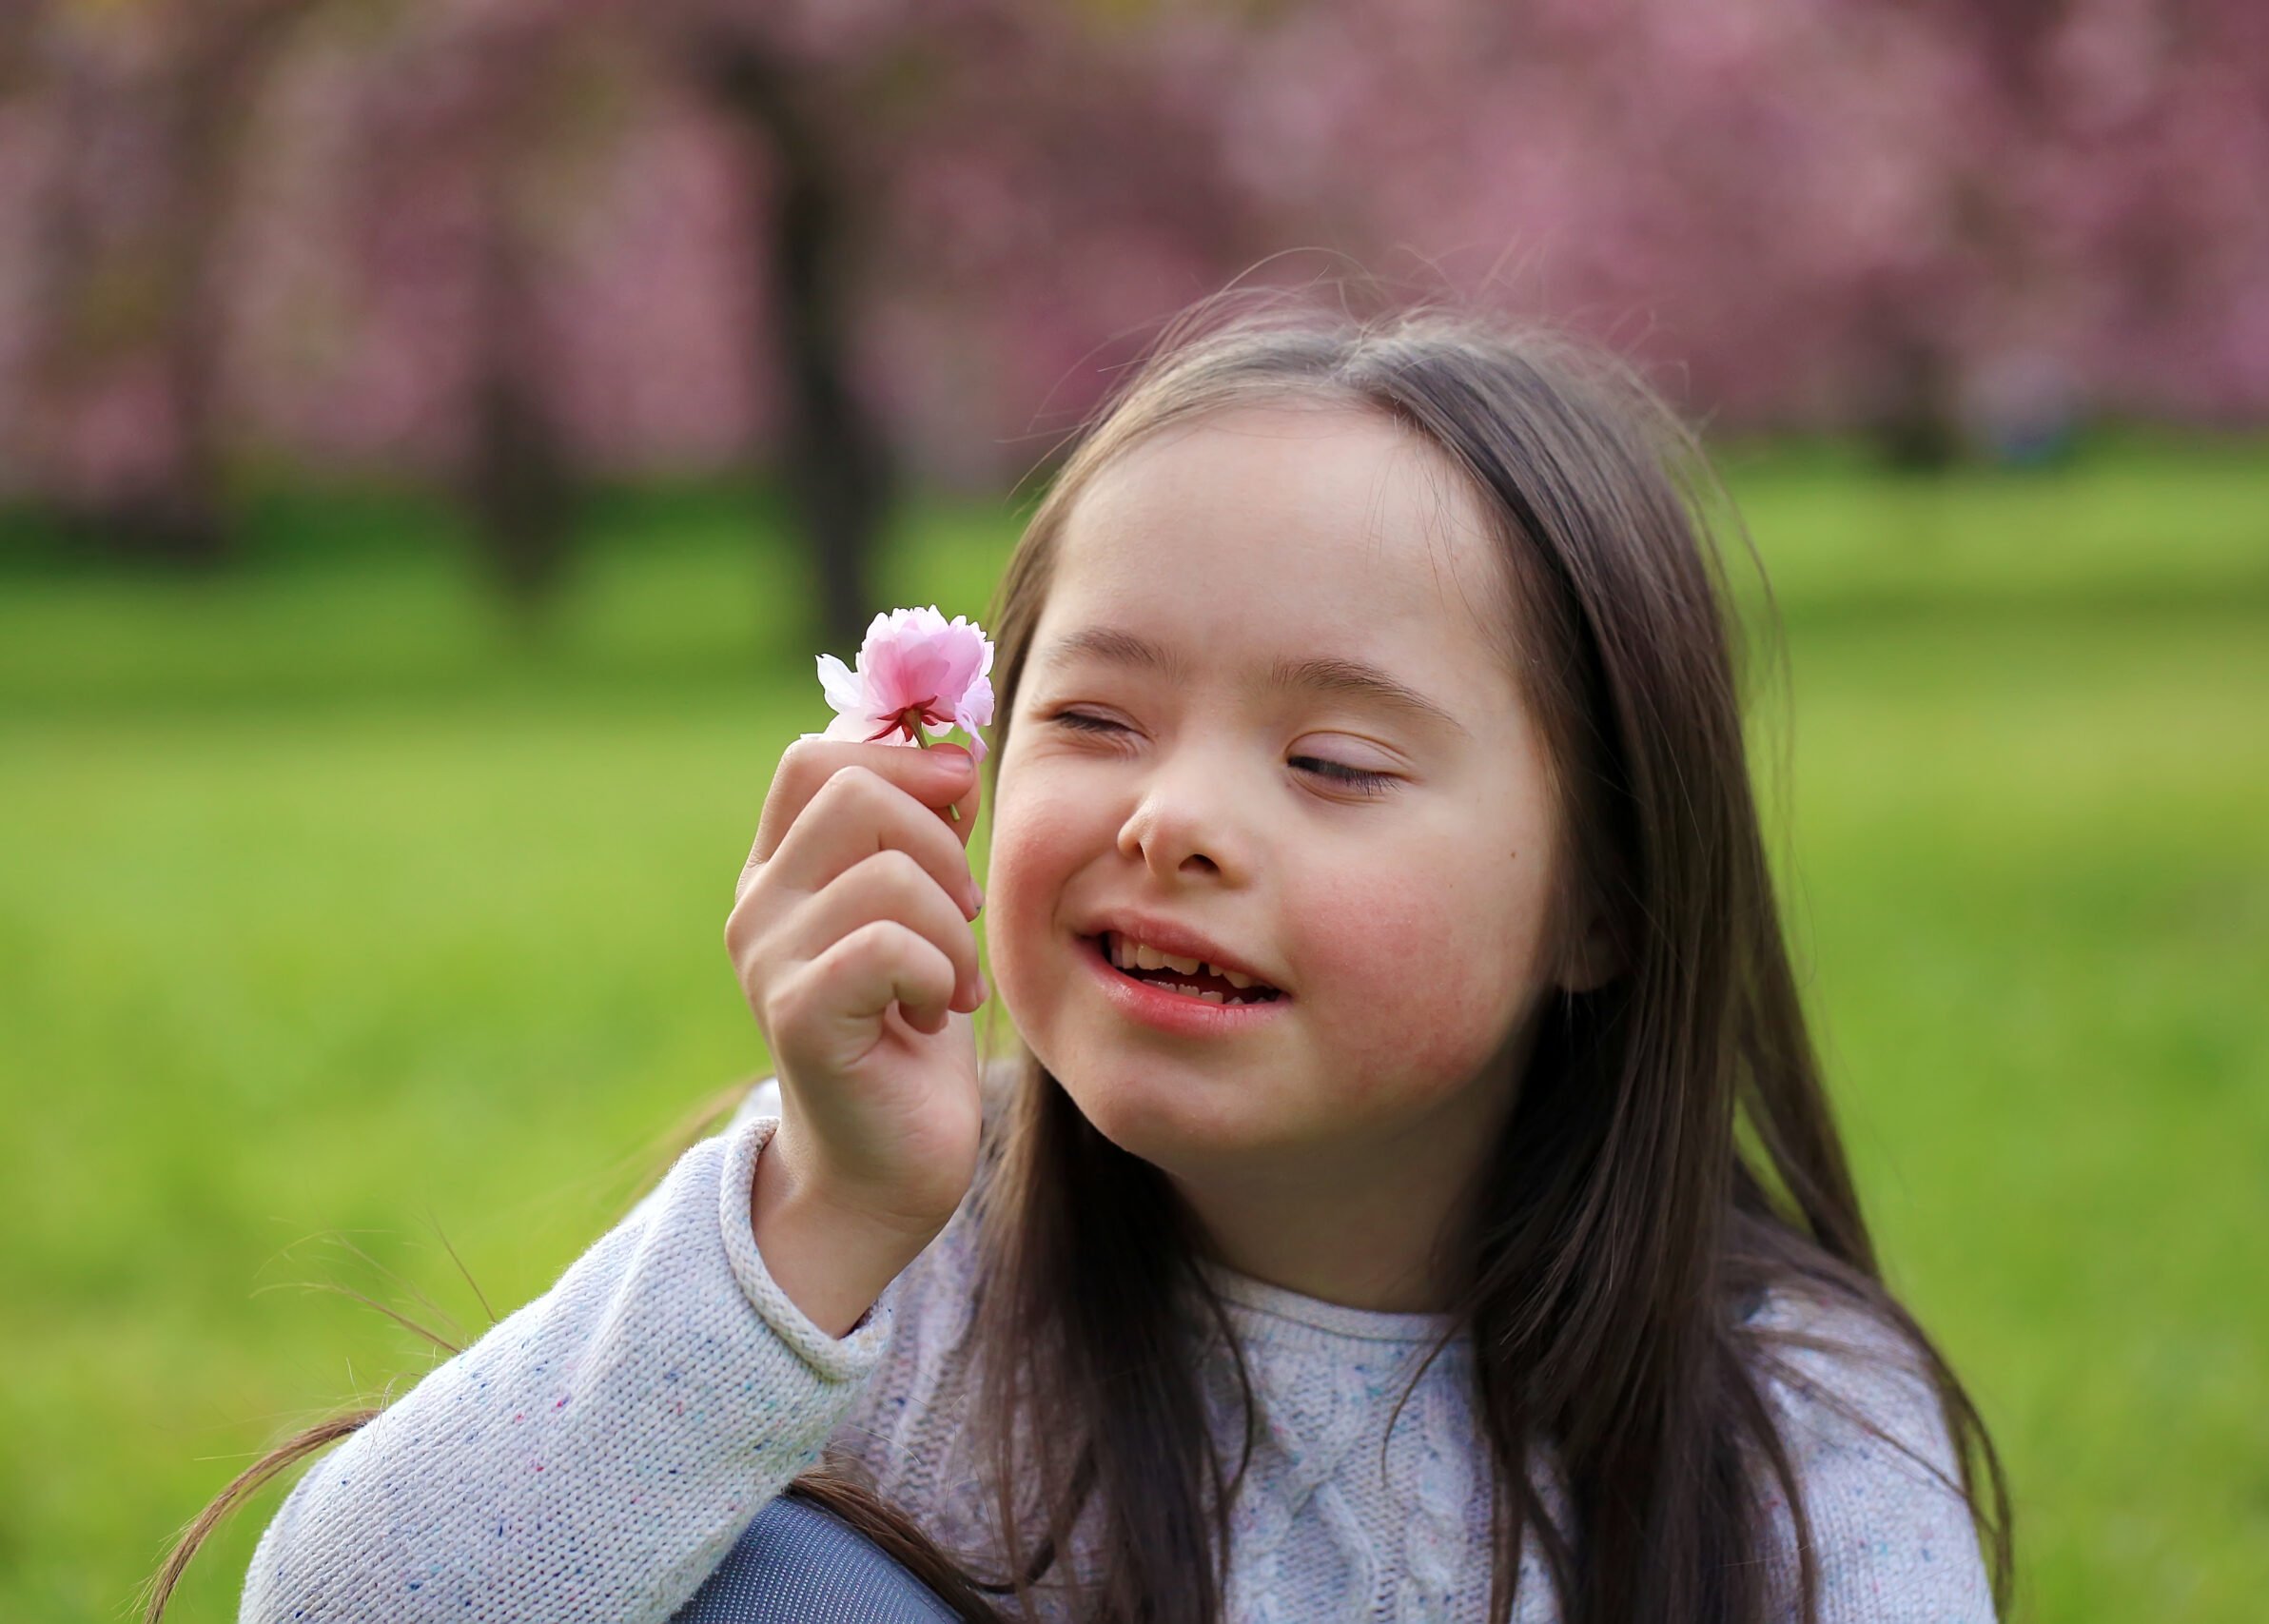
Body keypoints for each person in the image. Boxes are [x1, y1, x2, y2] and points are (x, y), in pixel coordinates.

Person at [192, 289, 2012, 1623]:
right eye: (1097, 719)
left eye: (1334, 764)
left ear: (1603, 900)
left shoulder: (1787, 1429)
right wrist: (820, 1211)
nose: (1177, 819)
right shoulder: (889, 1262)